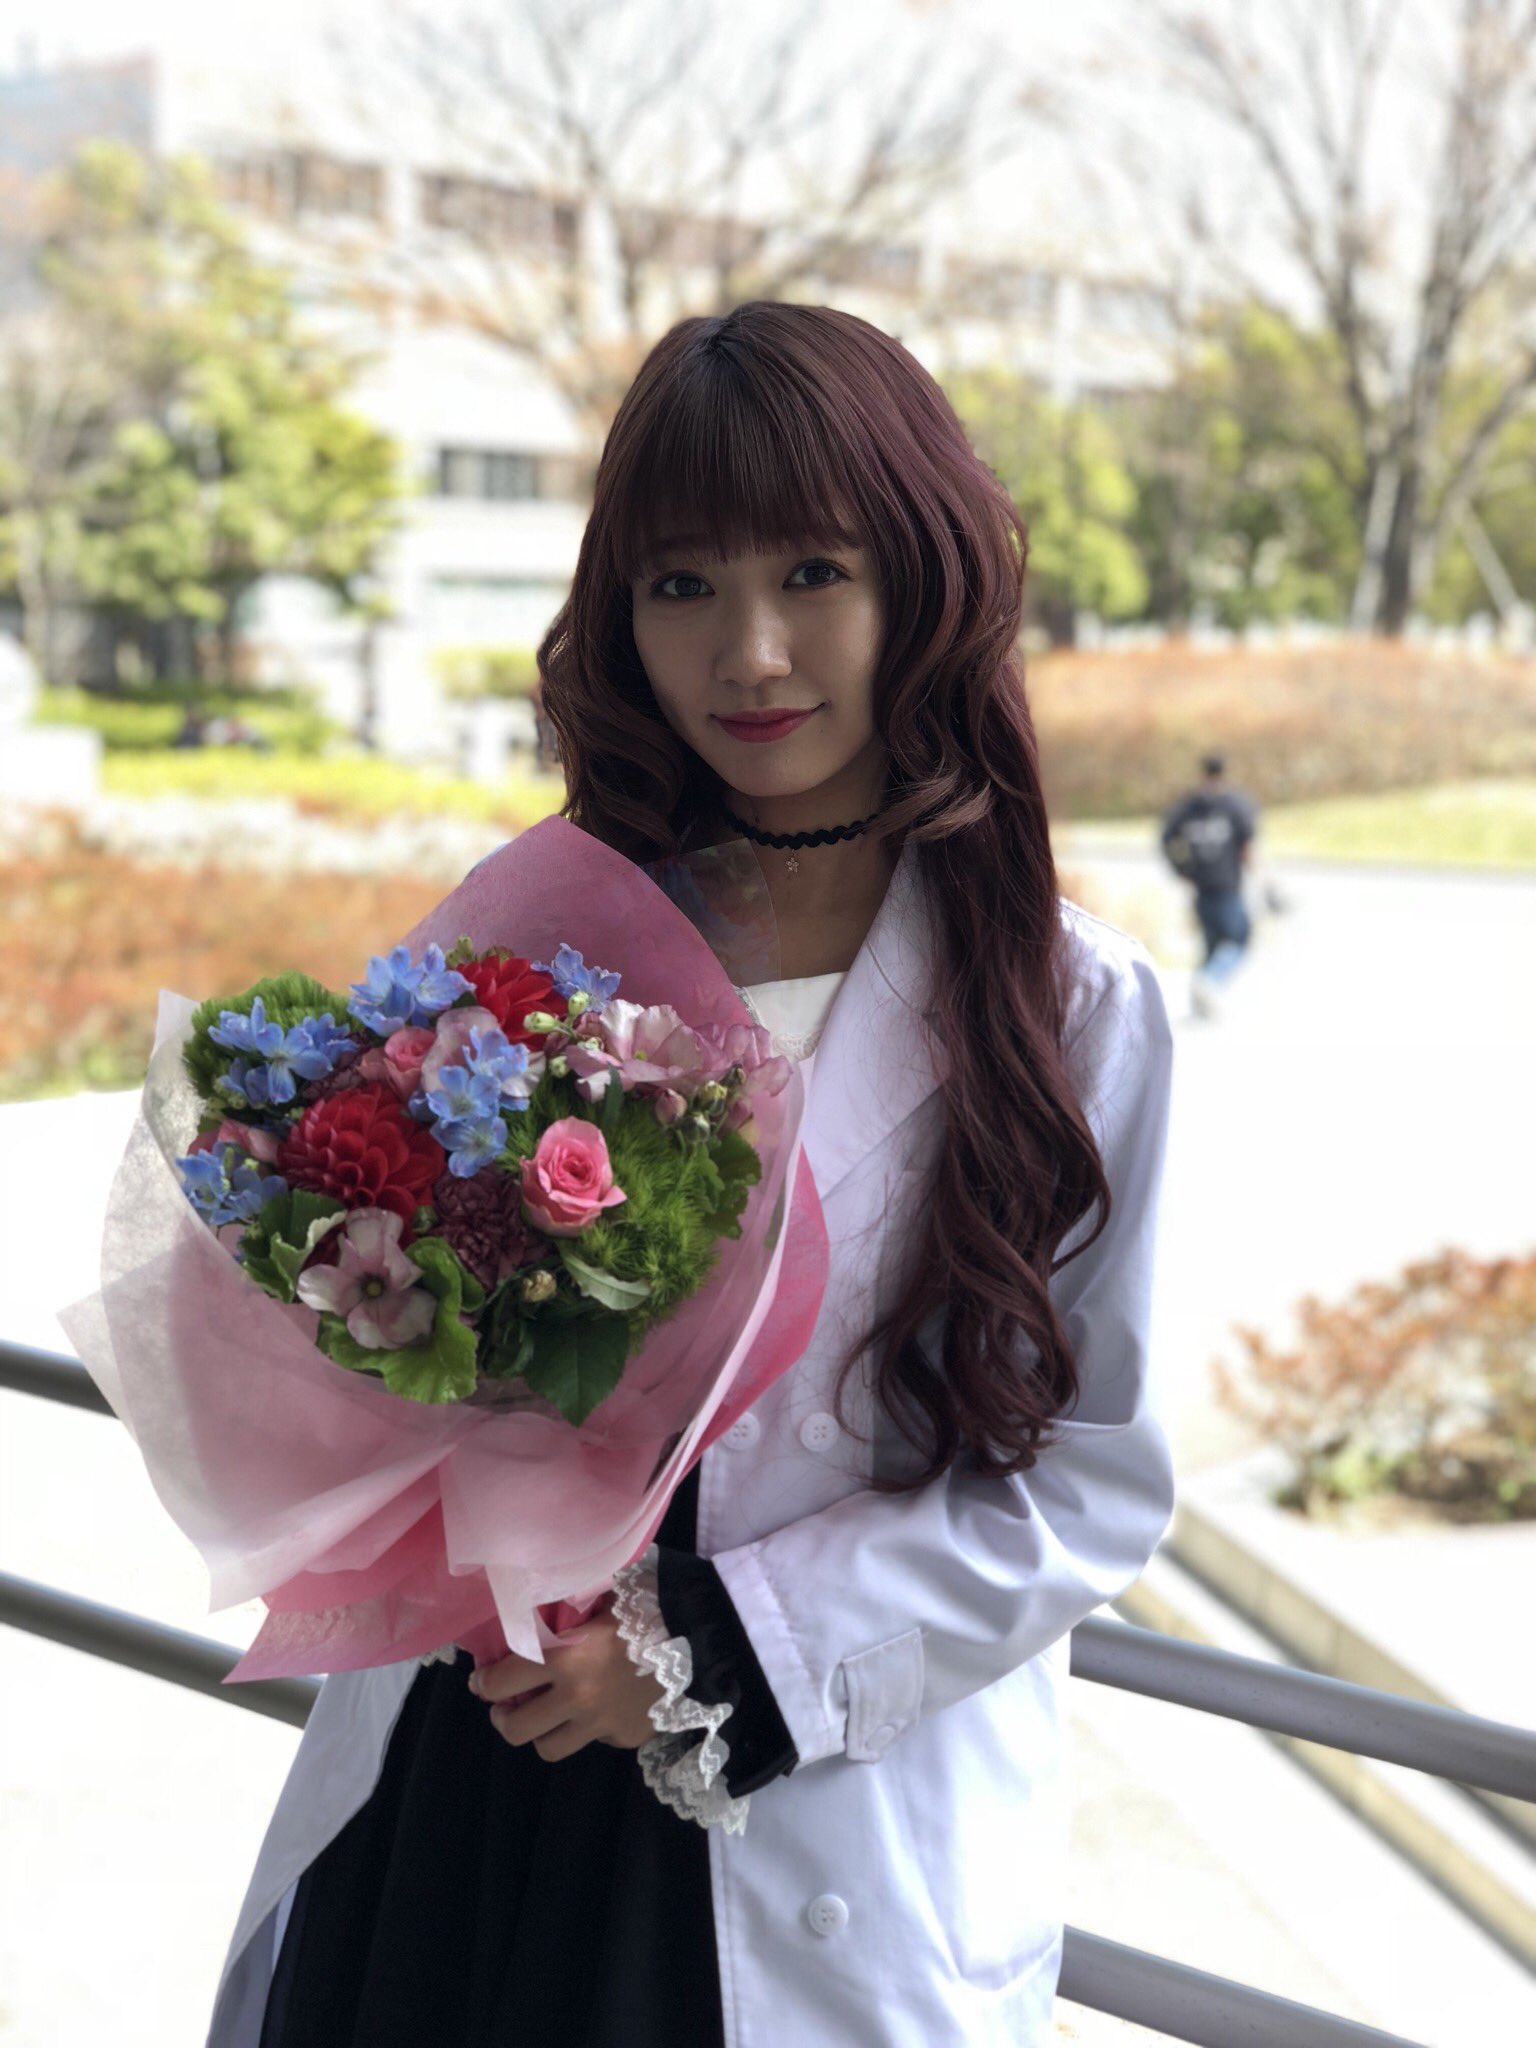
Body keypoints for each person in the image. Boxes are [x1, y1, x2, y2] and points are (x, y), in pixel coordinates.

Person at [208, 301, 1177, 2048]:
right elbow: (402, 1350)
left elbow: (1088, 1481)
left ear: (925, 575)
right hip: (468, 1779)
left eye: (814, 571)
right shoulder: (533, 945)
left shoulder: (1071, 1007)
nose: (751, 651)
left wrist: (695, 1653)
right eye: (681, 585)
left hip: (787, 1799)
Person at [1159, 753, 1259, 1018]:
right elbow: (1247, 846)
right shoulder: (1235, 804)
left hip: (1201, 886)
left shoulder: (1188, 806)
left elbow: (1166, 838)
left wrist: (1182, 869)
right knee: (1238, 939)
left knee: (1213, 943)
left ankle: (1201, 999)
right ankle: (1209, 981)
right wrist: (1259, 878)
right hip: (1227, 886)